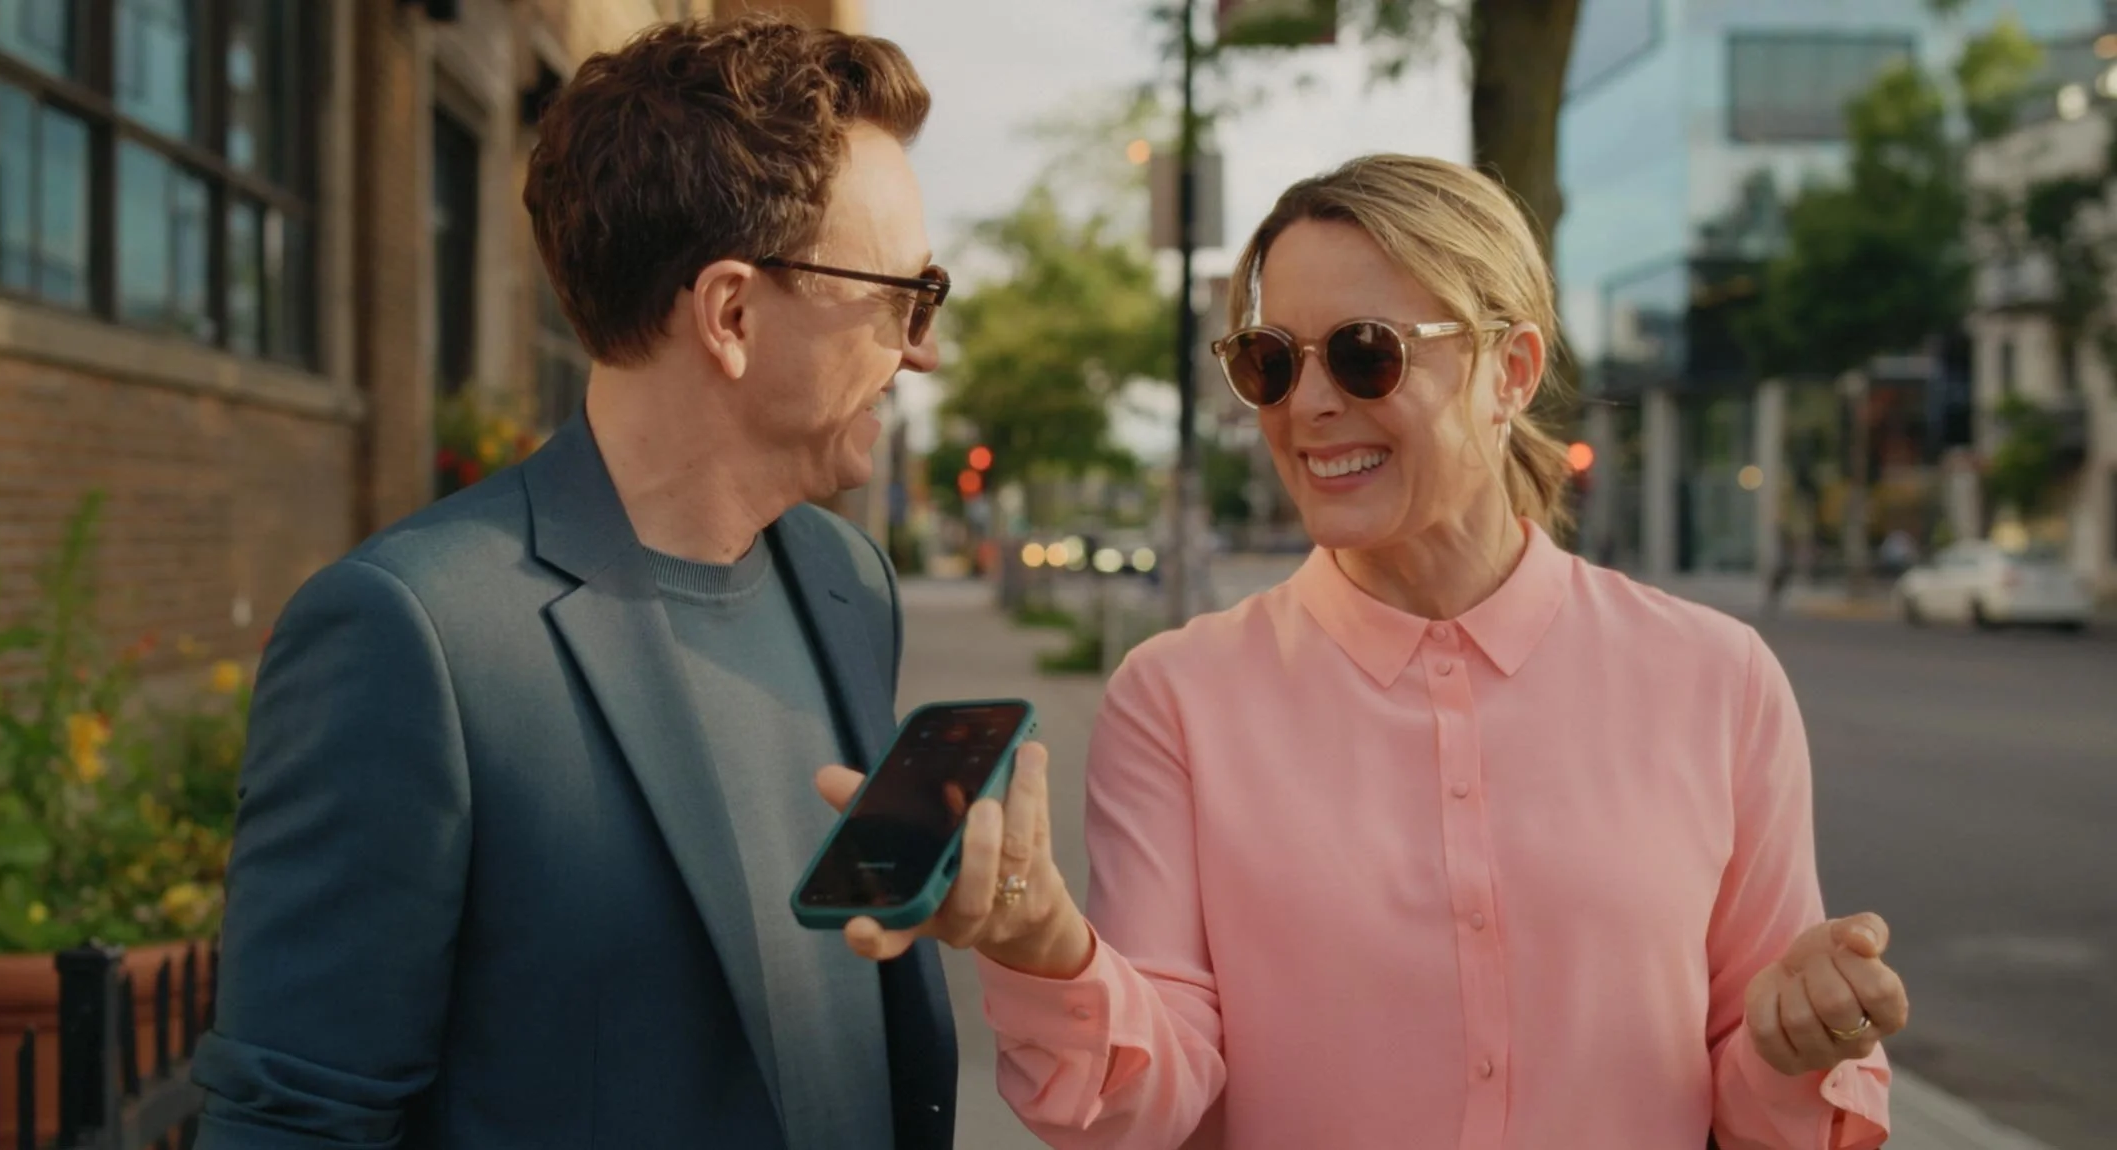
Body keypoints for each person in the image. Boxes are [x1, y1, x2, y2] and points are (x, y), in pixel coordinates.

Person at [817, 155, 1908, 1149]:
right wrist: (1047, 946)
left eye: (1365, 354)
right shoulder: (1177, 698)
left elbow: (1760, 1106)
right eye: (1269, 362)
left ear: (1512, 370)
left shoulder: (1718, 681)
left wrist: (1798, 1041)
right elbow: (1154, 1111)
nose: (1309, 405)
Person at [192, 15, 958, 1148]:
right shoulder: (414, 634)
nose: (922, 348)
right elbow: (297, 1121)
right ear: (732, 315)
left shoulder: (849, 582)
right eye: (904, 293)